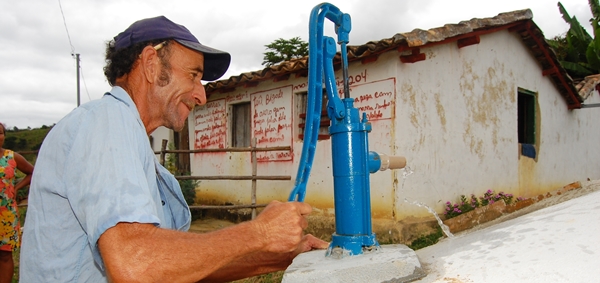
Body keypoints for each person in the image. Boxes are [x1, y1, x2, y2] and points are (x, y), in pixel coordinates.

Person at [20, 16, 328, 282]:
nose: (201, 95)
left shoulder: (141, 154)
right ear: (151, 65)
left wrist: (283, 257)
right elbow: (134, 264)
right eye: (194, 75)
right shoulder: (107, 121)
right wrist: (258, 233)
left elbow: (172, 266)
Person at [0, 122, 34, 283]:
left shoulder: (12, 157)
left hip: (6, 214)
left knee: (5, 255)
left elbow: (32, 172)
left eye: (0, 133)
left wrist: (16, 187)